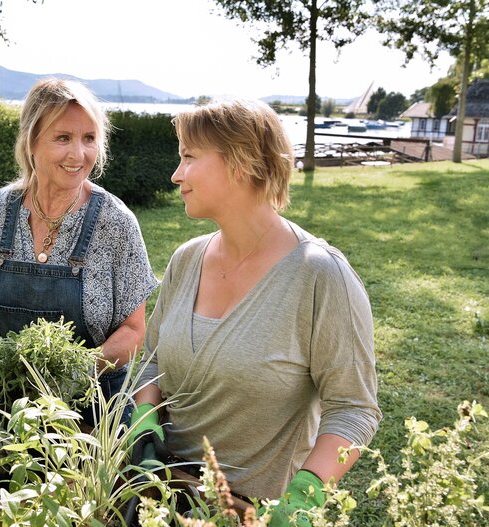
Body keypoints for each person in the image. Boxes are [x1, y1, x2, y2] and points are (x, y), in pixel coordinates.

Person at [131, 98, 382, 524]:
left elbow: (354, 407)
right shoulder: (186, 259)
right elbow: (153, 360)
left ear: (240, 163)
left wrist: (304, 497)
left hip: (252, 512)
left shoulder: (320, 276)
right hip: (159, 499)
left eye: (189, 158)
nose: (177, 175)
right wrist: (143, 425)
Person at [0, 78, 158, 424]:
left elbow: (134, 330)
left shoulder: (115, 222)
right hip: (5, 408)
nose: (78, 155)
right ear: (31, 141)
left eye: (89, 139)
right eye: (63, 138)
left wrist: (71, 373)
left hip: (92, 415)